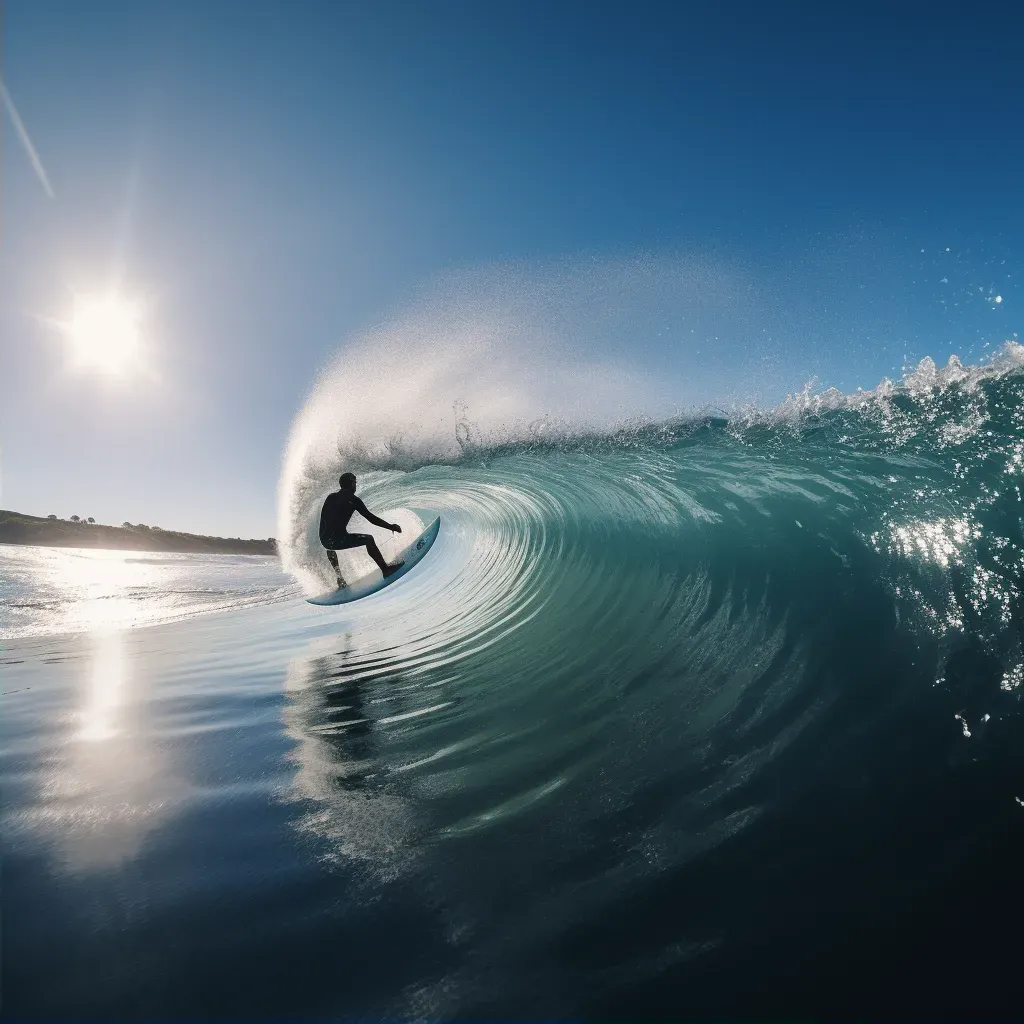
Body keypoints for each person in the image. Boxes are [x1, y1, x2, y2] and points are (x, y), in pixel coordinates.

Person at [319, 473, 403, 588]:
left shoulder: (331, 497)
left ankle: (340, 578)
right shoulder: (354, 500)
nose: (356, 485)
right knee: (368, 539)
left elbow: (324, 519)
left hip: (325, 540)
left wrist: (326, 537)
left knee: (330, 547)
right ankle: (385, 569)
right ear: (351, 484)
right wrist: (391, 526)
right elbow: (371, 518)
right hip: (337, 539)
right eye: (355, 482)